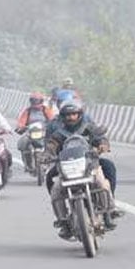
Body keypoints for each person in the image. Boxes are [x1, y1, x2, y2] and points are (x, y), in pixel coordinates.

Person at [45, 99, 119, 239]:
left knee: (104, 178)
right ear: (63, 117)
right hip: (67, 167)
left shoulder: (88, 128)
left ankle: (109, 212)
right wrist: (47, 154)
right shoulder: (59, 134)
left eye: (74, 114)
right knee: (54, 187)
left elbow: (101, 138)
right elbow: (51, 146)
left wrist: (103, 146)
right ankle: (63, 222)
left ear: (79, 114)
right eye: (67, 115)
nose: (71, 117)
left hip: (90, 164)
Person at [15, 92, 56, 172]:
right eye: (33, 101)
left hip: (43, 132)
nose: (35, 103)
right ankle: (27, 163)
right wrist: (20, 127)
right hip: (31, 132)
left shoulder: (46, 109)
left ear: (41, 101)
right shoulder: (28, 111)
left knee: (53, 143)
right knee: (23, 143)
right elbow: (22, 121)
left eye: (37, 101)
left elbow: (52, 119)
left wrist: (52, 126)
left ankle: (51, 161)